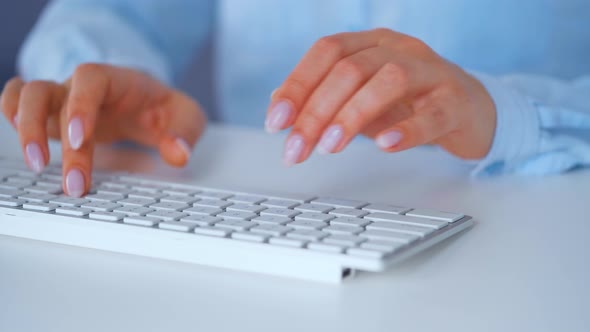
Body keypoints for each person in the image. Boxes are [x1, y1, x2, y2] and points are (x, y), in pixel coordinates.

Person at [1, 0, 589, 198]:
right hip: (265, 205)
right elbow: (109, 12)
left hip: (535, 222)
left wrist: (511, 116)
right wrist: (107, 79)